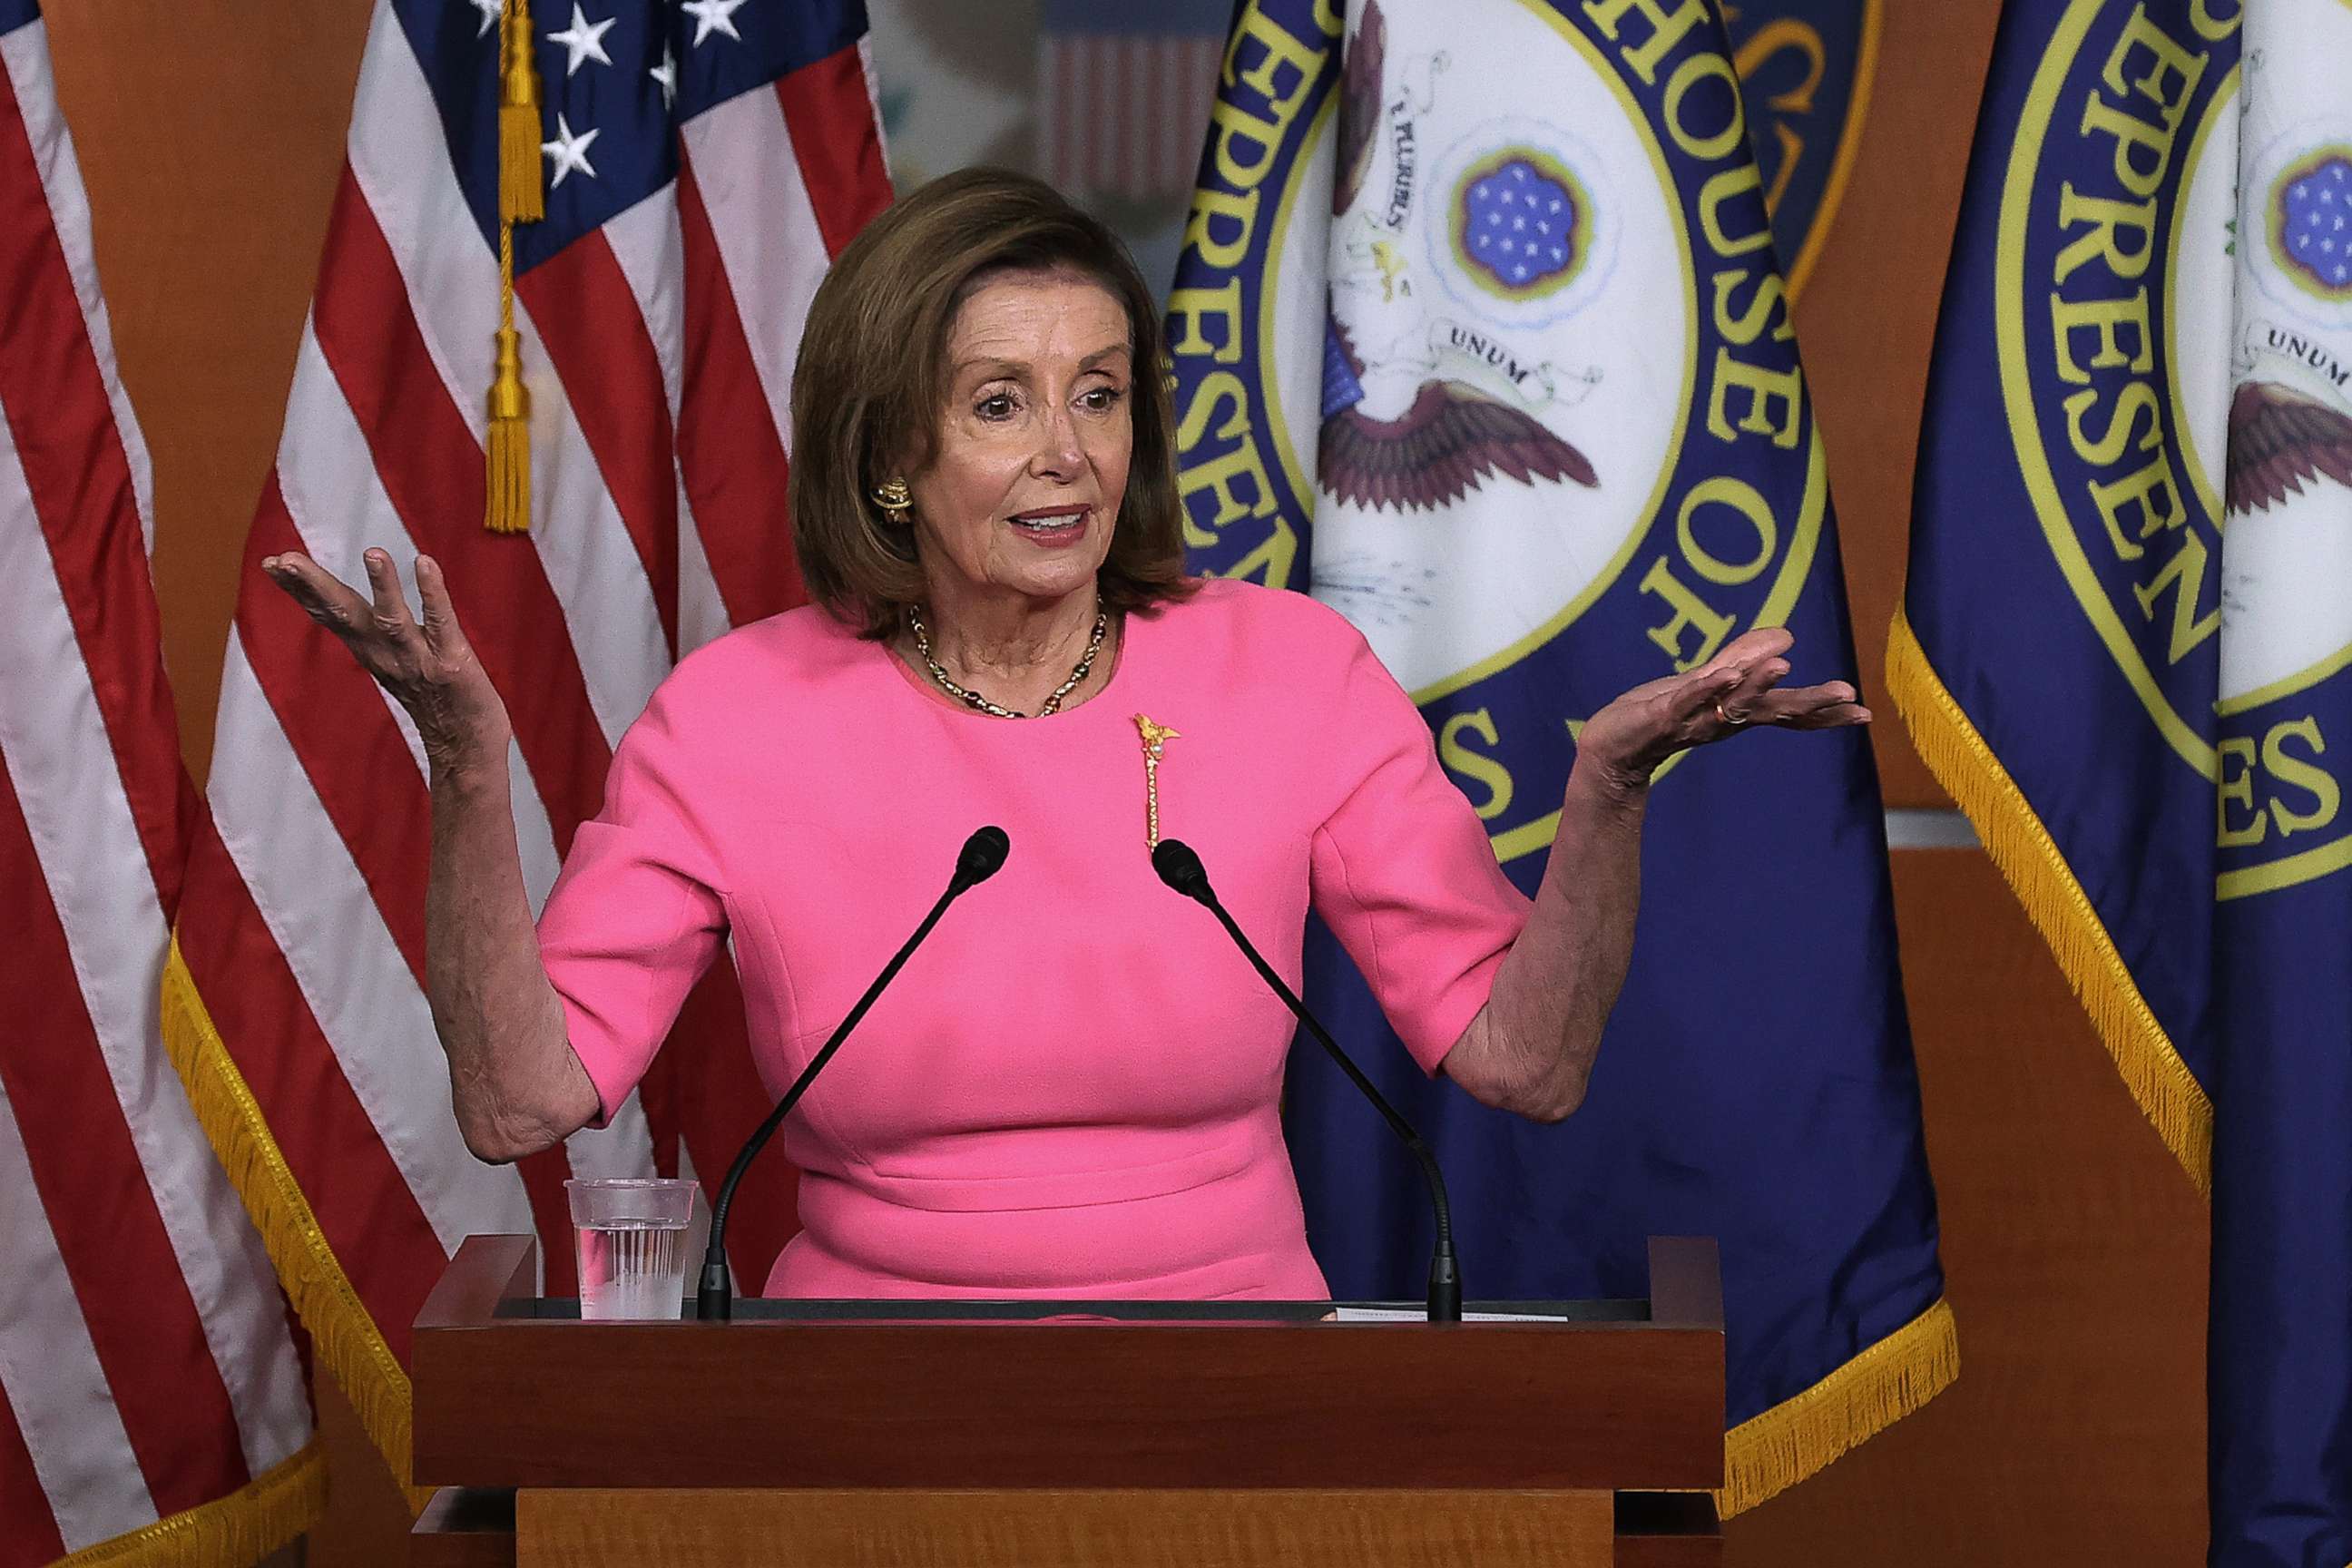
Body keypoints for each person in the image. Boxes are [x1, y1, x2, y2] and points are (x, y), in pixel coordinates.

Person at [259, 168, 1867, 1301]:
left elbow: (1527, 1063)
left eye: (1099, 395)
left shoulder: (1288, 677)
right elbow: (521, 1105)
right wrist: (467, 777)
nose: (1068, 457)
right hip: (861, 1423)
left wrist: (1604, 797)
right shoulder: (737, 723)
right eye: (1001, 402)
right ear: (894, 450)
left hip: (1237, 1406)